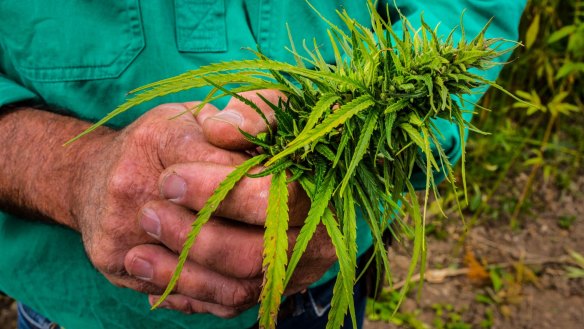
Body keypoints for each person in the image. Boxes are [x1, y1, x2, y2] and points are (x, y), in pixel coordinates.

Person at [0, 1, 525, 328]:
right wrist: (72, 172)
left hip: (317, 291)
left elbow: (466, 11)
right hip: (75, 306)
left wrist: (376, 138)